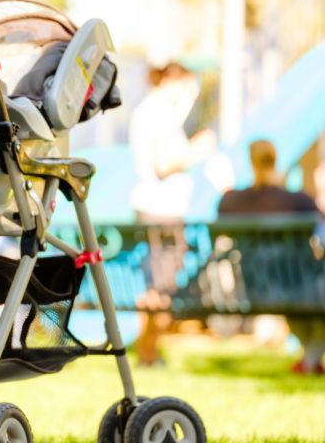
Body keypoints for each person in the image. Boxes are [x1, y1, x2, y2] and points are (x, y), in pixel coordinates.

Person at [218, 140, 324, 374]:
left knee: (300, 301)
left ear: (251, 162)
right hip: (298, 285)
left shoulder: (232, 201)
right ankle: (310, 361)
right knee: (311, 294)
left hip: (257, 287)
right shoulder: (299, 201)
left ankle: (309, 361)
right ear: (275, 161)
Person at [129, 64, 217, 222]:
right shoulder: (158, 109)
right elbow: (163, 165)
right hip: (160, 211)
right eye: (188, 90)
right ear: (172, 81)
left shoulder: (156, 109)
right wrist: (197, 151)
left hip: (162, 209)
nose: (190, 97)